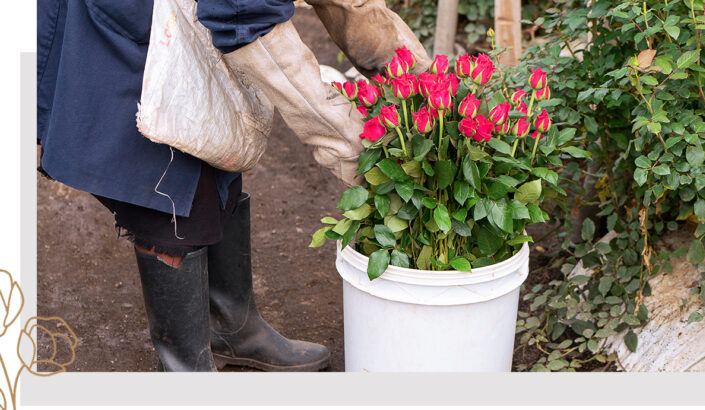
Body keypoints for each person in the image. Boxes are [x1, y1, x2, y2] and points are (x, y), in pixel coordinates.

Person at [37, 0, 430, 372]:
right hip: (130, 23)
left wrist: (423, 88)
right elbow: (242, 11)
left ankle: (231, 328)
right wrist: (344, 140)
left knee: (218, 138)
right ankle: (185, 372)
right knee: (168, 185)